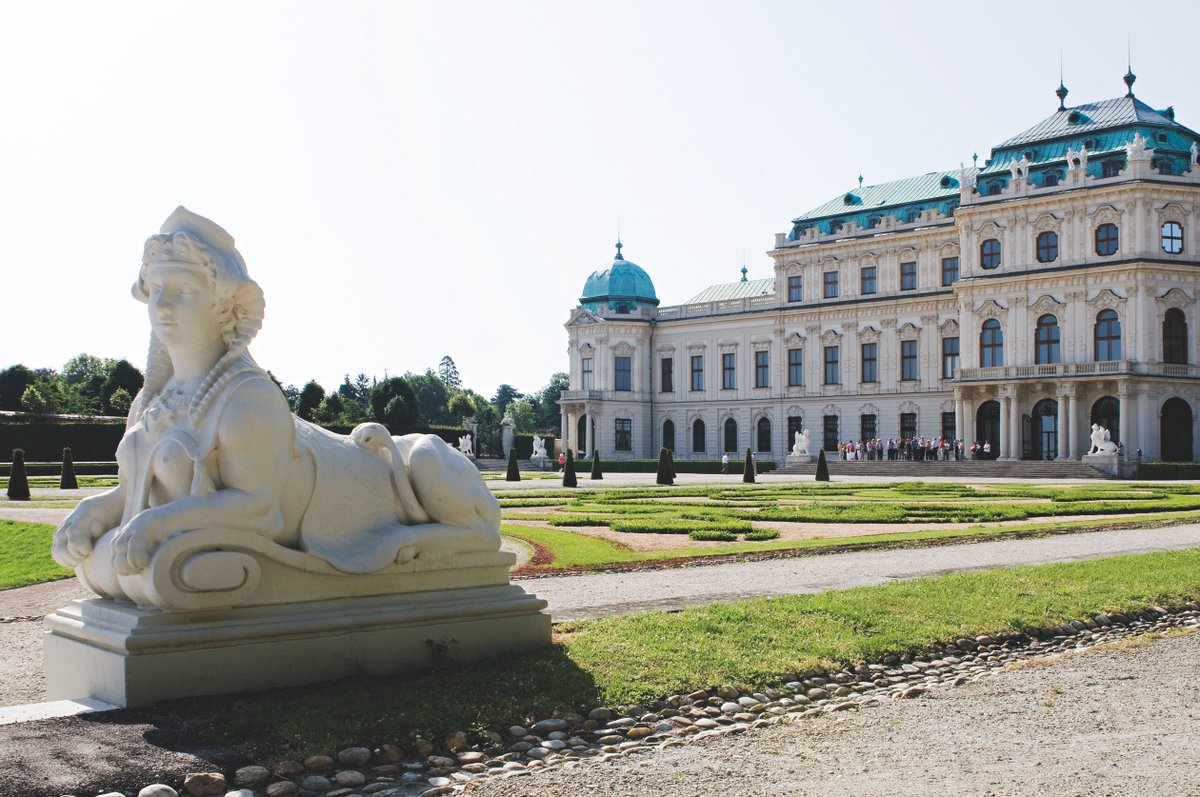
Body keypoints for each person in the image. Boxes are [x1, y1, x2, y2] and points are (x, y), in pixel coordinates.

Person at [52, 208, 500, 606]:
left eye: (183, 290)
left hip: (377, 488)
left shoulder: (247, 399)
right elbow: (150, 492)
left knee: (425, 455)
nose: (162, 306)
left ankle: (463, 533)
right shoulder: (150, 402)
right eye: (155, 289)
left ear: (224, 306)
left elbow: (260, 508)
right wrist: (98, 510)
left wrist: (154, 525)